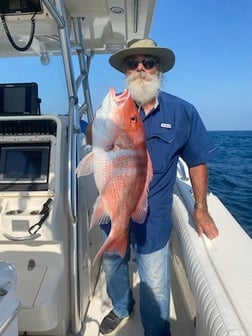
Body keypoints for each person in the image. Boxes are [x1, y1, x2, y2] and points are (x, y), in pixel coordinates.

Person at [95, 38, 219, 336]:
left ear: (158, 69)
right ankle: (122, 307)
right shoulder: (114, 109)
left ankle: (156, 330)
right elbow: (96, 146)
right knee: (113, 265)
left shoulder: (182, 111)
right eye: (131, 63)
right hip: (115, 205)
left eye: (148, 62)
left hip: (155, 214)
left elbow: (197, 160)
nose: (140, 68)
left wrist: (200, 208)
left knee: (154, 281)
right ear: (125, 71)